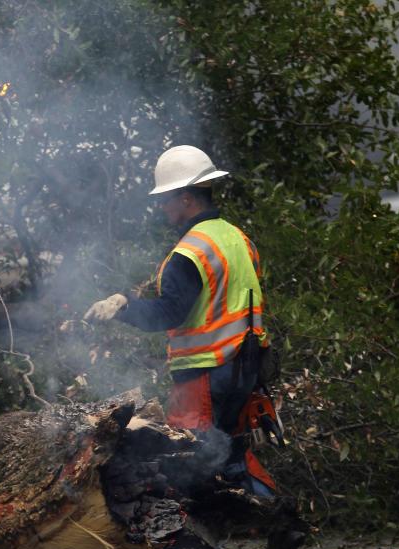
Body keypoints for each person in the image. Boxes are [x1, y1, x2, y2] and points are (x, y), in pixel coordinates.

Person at [85, 145, 277, 496]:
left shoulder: (190, 251)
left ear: (187, 198)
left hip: (207, 368)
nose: (162, 207)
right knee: (229, 449)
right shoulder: (236, 238)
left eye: (166, 199)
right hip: (247, 364)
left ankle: (183, 541)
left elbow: (168, 313)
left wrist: (123, 309)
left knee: (187, 454)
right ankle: (279, 513)